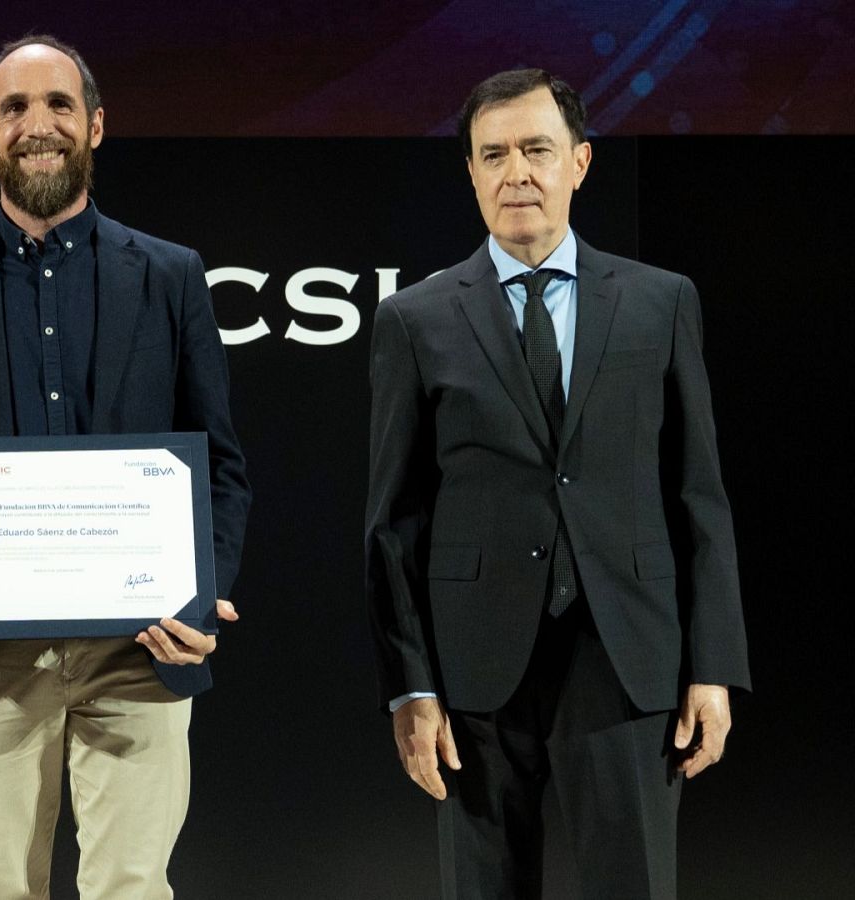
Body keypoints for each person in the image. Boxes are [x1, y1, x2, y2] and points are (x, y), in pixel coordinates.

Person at [0, 35, 251, 899]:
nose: (40, 125)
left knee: (134, 888)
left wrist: (202, 590)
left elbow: (217, 461)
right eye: (16, 109)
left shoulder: (172, 276)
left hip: (143, 648)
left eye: (60, 105)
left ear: (97, 125)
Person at [365, 69, 750, 899]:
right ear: (469, 173)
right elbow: (393, 522)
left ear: (579, 161)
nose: (517, 173)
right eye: (493, 154)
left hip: (629, 659)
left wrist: (712, 665)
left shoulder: (661, 303)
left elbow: (699, 494)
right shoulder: (416, 320)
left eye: (537, 149)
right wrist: (412, 685)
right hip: (473, 678)